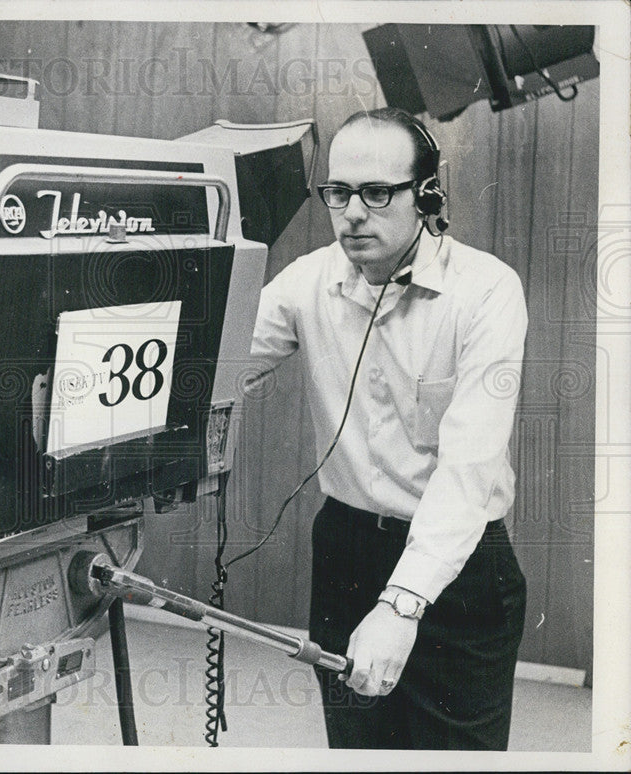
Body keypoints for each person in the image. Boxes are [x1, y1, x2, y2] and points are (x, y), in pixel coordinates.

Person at [249, 107, 528, 750]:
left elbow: (467, 470)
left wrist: (402, 605)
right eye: (339, 192)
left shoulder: (486, 291)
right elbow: (216, 367)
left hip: (456, 562)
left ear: (428, 195)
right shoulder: (308, 282)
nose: (352, 213)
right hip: (346, 551)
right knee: (359, 753)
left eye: (377, 193)